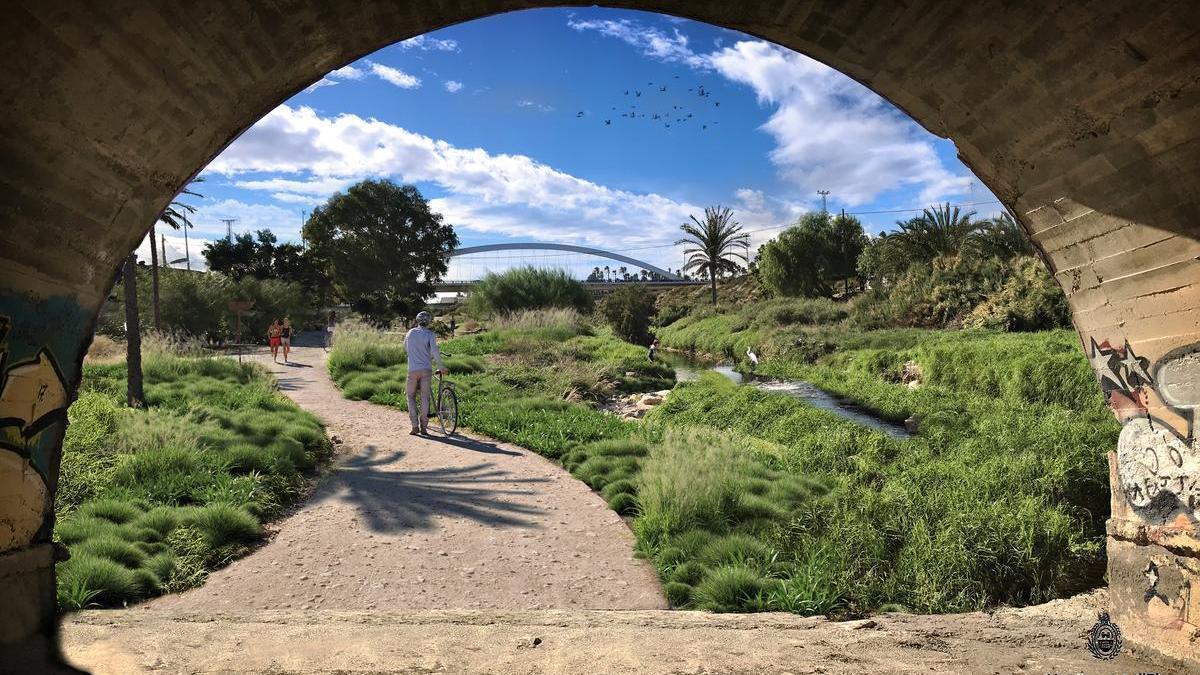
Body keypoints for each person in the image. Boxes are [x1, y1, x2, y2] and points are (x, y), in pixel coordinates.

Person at [404, 310, 447, 435]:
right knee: (424, 397)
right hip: (426, 370)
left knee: (410, 396)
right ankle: (424, 427)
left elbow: (405, 348)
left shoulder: (410, 333)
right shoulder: (430, 334)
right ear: (428, 322)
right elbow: (434, 351)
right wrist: (441, 366)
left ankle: (414, 426)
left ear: (417, 321)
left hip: (412, 370)